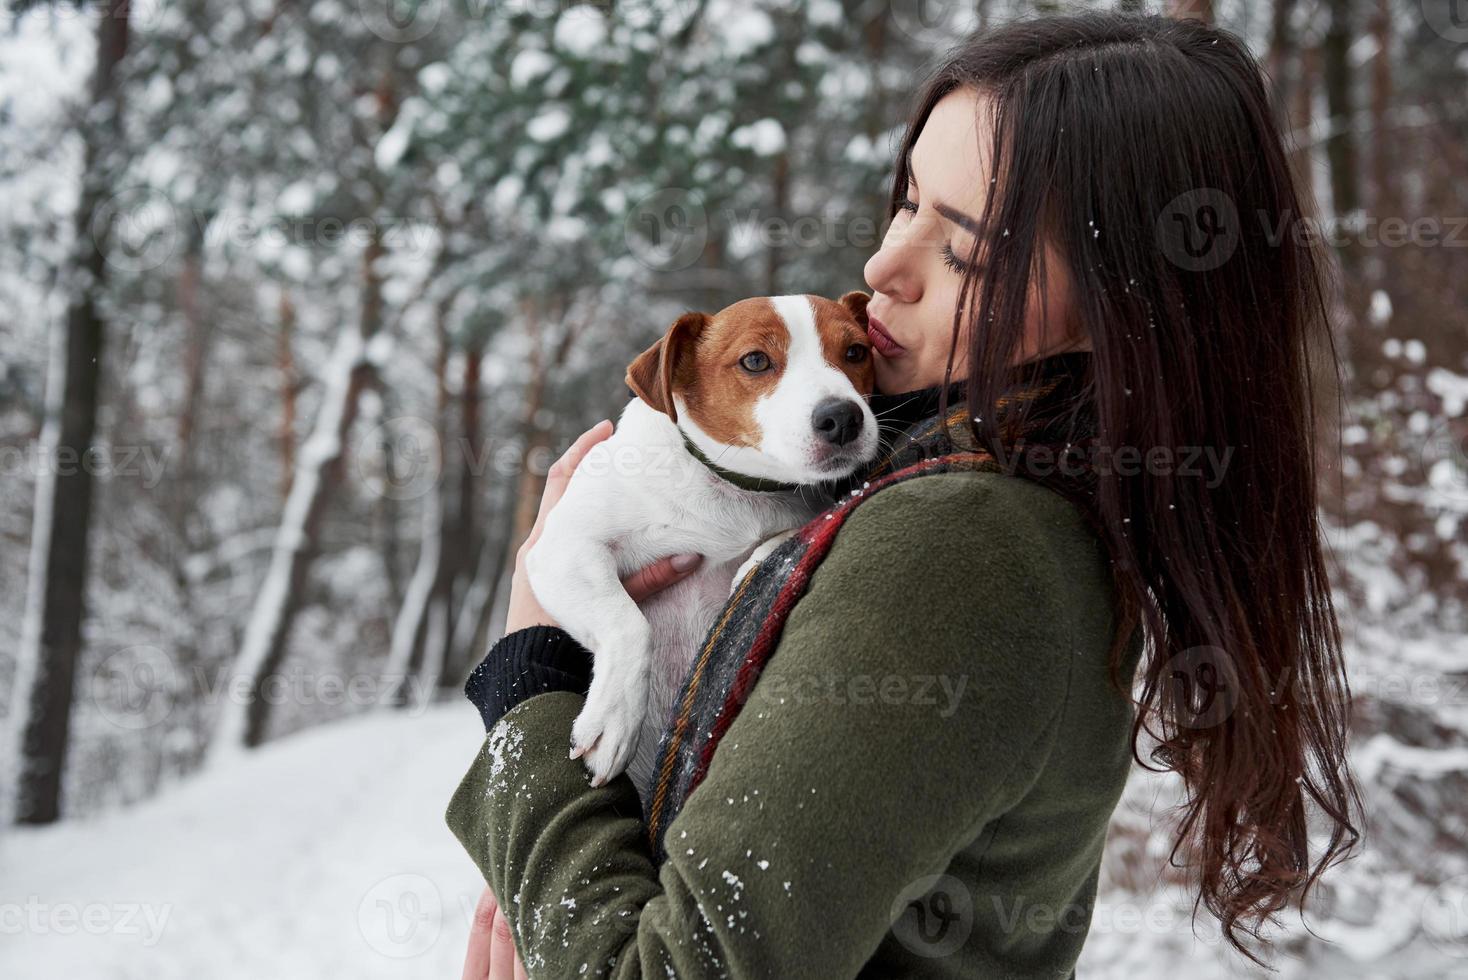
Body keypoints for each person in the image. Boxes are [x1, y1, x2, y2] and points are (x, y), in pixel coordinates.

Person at [448, 12, 1361, 977]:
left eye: (963, 248)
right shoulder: (1012, 493)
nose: (884, 267)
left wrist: (531, 671)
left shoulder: (963, 540)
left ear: (1118, 308)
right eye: (908, 201)